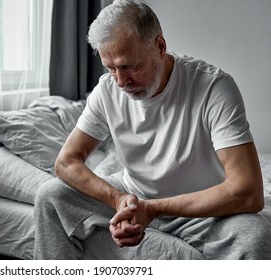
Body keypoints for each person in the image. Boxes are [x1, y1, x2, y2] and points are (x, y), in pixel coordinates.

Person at [33, 0, 271, 259]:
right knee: (50, 196)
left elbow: (249, 191)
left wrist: (153, 209)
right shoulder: (107, 91)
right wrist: (117, 199)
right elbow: (66, 162)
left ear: (159, 46)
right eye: (110, 68)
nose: (121, 81)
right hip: (133, 197)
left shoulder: (214, 88)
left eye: (129, 66)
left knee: (255, 236)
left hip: (201, 211)